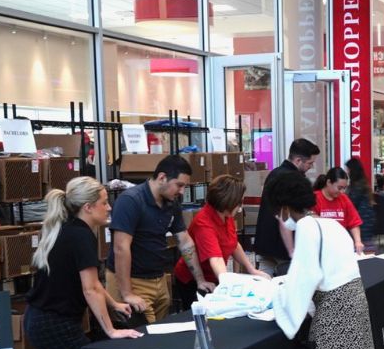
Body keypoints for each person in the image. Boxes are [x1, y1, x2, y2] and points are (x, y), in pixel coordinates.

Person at [26, 177, 143, 349]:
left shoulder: (70, 230)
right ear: (89, 207)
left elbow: (91, 283)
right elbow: (89, 288)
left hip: (40, 321)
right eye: (104, 202)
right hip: (55, 324)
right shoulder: (80, 236)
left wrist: (114, 302)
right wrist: (111, 330)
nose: (109, 207)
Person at [269, 171, 377, 349]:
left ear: (284, 206)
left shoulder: (305, 228)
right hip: (353, 298)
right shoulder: (330, 224)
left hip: (333, 305)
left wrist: (280, 301)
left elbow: (305, 276)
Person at [106, 154, 213, 324]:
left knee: (160, 337)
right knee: (142, 341)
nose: (182, 191)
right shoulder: (131, 200)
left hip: (159, 280)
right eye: (179, 185)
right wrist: (127, 293)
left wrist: (200, 280)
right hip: (132, 281)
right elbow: (121, 248)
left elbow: (184, 241)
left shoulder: (171, 203)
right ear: (162, 177)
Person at [173, 175, 270, 311]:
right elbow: (216, 259)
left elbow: (233, 243)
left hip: (214, 276)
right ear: (228, 203)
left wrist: (251, 270)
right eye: (239, 203)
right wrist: (229, 287)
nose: (240, 206)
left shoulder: (226, 215)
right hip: (193, 280)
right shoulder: (204, 223)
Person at [254, 138, 320, 274]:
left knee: (264, 285)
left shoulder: (274, 173)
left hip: (265, 242)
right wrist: (292, 251)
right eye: (310, 163)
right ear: (298, 161)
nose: (311, 167)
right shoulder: (294, 180)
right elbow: (284, 218)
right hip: (283, 247)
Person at [313, 166, 366, 254]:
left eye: (344, 188)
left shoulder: (344, 199)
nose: (342, 191)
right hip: (321, 248)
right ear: (329, 182)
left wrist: (358, 241)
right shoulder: (315, 198)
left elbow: (354, 222)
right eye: (339, 188)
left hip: (341, 247)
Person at [345, 158, 377, 252]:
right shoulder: (362, 183)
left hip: (361, 220)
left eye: (347, 169)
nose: (346, 172)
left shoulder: (357, 186)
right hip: (366, 219)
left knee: (362, 244)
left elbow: (351, 202)